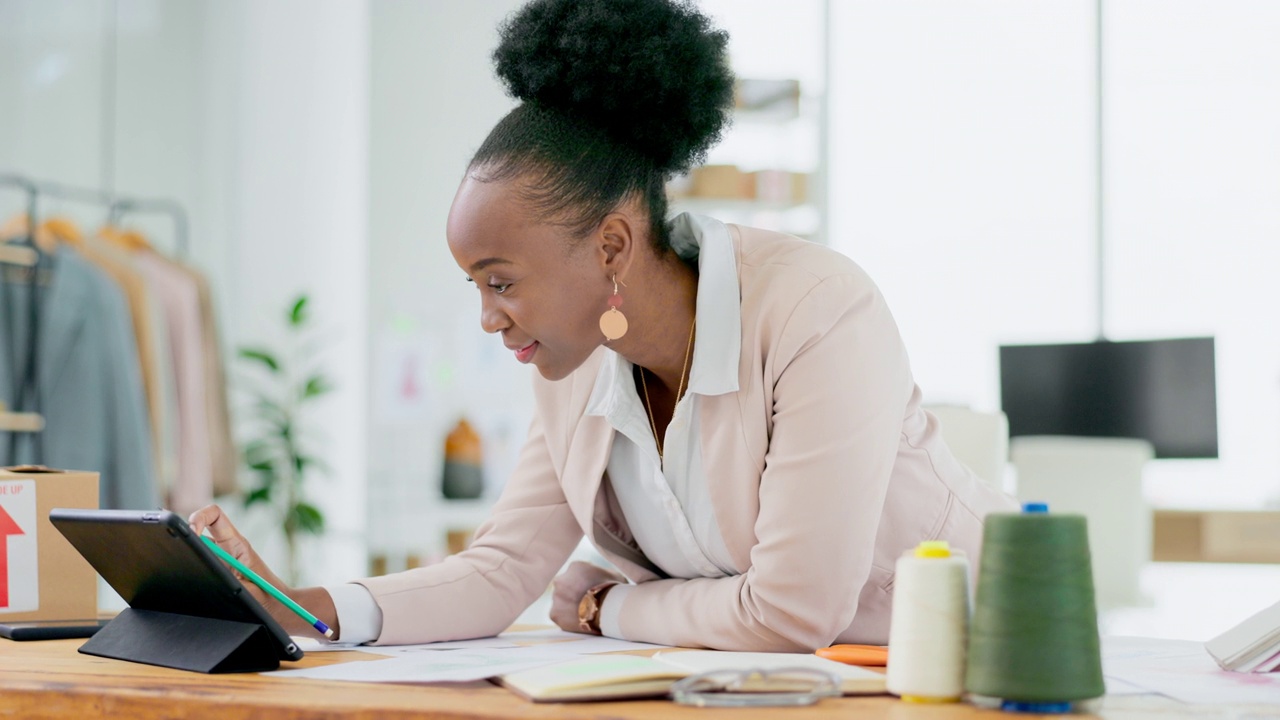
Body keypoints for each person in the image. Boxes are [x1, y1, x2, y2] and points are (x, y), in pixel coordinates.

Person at [191, 0, 1018, 652]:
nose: (488, 317)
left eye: (502, 281)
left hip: (970, 670)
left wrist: (607, 607)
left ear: (612, 246)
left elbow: (793, 611)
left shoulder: (818, 312)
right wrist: (296, 607)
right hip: (767, 687)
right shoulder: (578, 366)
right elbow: (501, 569)